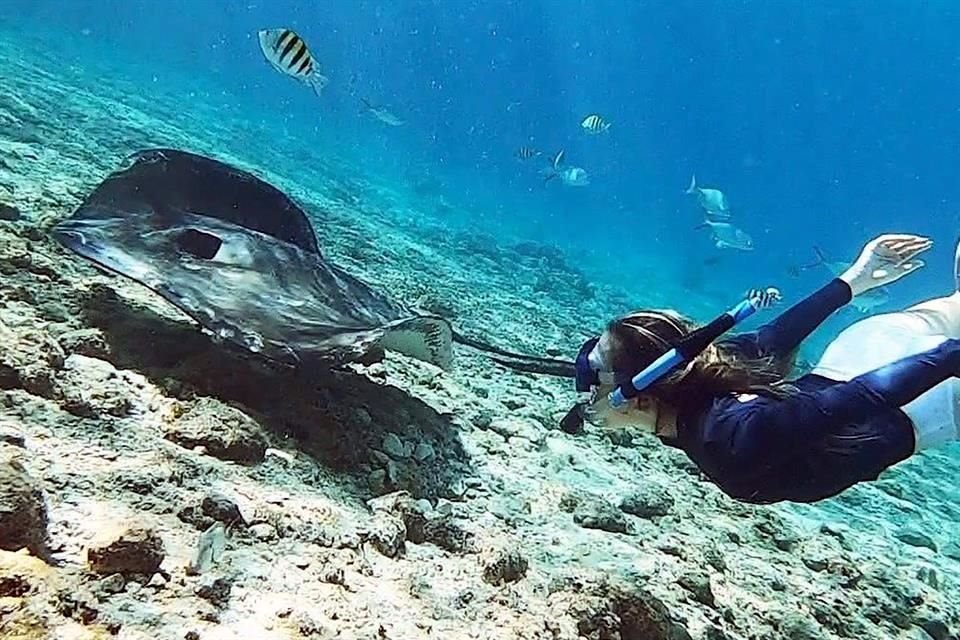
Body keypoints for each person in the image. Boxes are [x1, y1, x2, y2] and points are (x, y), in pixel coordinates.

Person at [573, 233, 960, 504]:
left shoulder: (729, 438)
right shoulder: (702, 375)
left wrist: (950, 355)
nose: (586, 395)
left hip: (919, 404)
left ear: (640, 396)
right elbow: (772, 337)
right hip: (867, 348)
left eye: (596, 380)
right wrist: (853, 280)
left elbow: (863, 397)